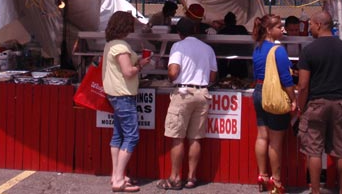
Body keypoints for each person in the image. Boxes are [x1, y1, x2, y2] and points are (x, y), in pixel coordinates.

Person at [297, 11, 342, 194]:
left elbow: (303, 85)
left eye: (312, 24)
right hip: (340, 104)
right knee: (341, 151)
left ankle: (315, 191)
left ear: (318, 24)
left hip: (316, 104)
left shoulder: (308, 50)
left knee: (314, 150)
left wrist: (301, 106)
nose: (311, 28)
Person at [156, 17, 218, 190]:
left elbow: (173, 72)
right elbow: (213, 76)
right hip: (202, 93)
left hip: (183, 94)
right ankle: (191, 177)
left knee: (177, 138)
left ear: (179, 33)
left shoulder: (178, 46)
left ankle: (175, 178)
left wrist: (169, 76)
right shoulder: (207, 48)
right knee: (195, 138)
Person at [102, 11, 151, 193]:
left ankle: (116, 175)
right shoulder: (121, 47)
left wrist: (137, 61)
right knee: (131, 136)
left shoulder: (110, 45)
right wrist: (140, 65)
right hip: (123, 95)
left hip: (114, 94)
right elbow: (128, 72)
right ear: (125, 26)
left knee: (118, 135)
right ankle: (119, 180)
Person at [252, 14, 296, 194]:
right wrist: (293, 99)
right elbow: (286, 79)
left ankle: (262, 176)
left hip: (258, 92)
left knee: (262, 136)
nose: (283, 30)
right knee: (275, 142)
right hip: (274, 95)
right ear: (269, 30)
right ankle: (276, 182)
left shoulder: (257, 48)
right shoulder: (279, 51)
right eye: (279, 27)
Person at [216, 11, 251, 79]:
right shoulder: (241, 29)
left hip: (225, 63)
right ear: (235, 21)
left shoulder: (222, 32)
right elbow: (248, 45)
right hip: (240, 62)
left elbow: (218, 48)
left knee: (224, 82)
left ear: (225, 22)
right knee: (240, 82)